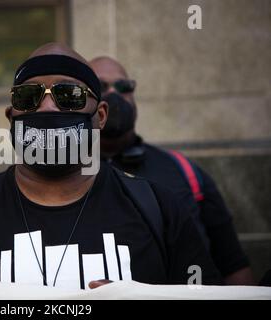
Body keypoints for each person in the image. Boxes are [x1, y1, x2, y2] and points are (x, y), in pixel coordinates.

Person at [0, 43, 222, 289]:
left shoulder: (158, 209)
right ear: (11, 116)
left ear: (100, 116)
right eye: (29, 95)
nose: (48, 106)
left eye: (70, 95)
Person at [89, 56, 254, 285]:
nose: (114, 94)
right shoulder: (63, 178)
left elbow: (233, 266)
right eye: (100, 86)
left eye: (124, 87)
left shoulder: (185, 171)